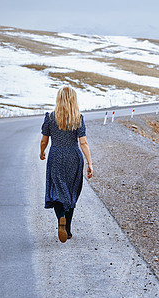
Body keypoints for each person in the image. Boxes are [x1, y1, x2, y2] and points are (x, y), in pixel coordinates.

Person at [39, 86, 93, 243]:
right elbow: (83, 142)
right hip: (73, 157)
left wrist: (42, 152)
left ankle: (61, 218)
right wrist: (90, 163)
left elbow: (44, 140)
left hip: (56, 156)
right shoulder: (78, 119)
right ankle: (67, 229)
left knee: (56, 191)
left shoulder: (50, 118)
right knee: (70, 192)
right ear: (73, 100)